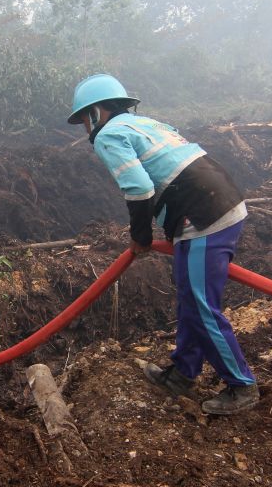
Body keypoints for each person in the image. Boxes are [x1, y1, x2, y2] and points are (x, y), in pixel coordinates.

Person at [68, 73, 260, 415]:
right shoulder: (146, 123)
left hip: (202, 217)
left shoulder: (109, 135)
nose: (85, 126)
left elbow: (139, 188)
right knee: (191, 299)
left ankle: (241, 386)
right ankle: (182, 373)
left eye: (84, 118)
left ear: (96, 112)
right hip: (220, 199)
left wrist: (140, 238)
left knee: (201, 306)